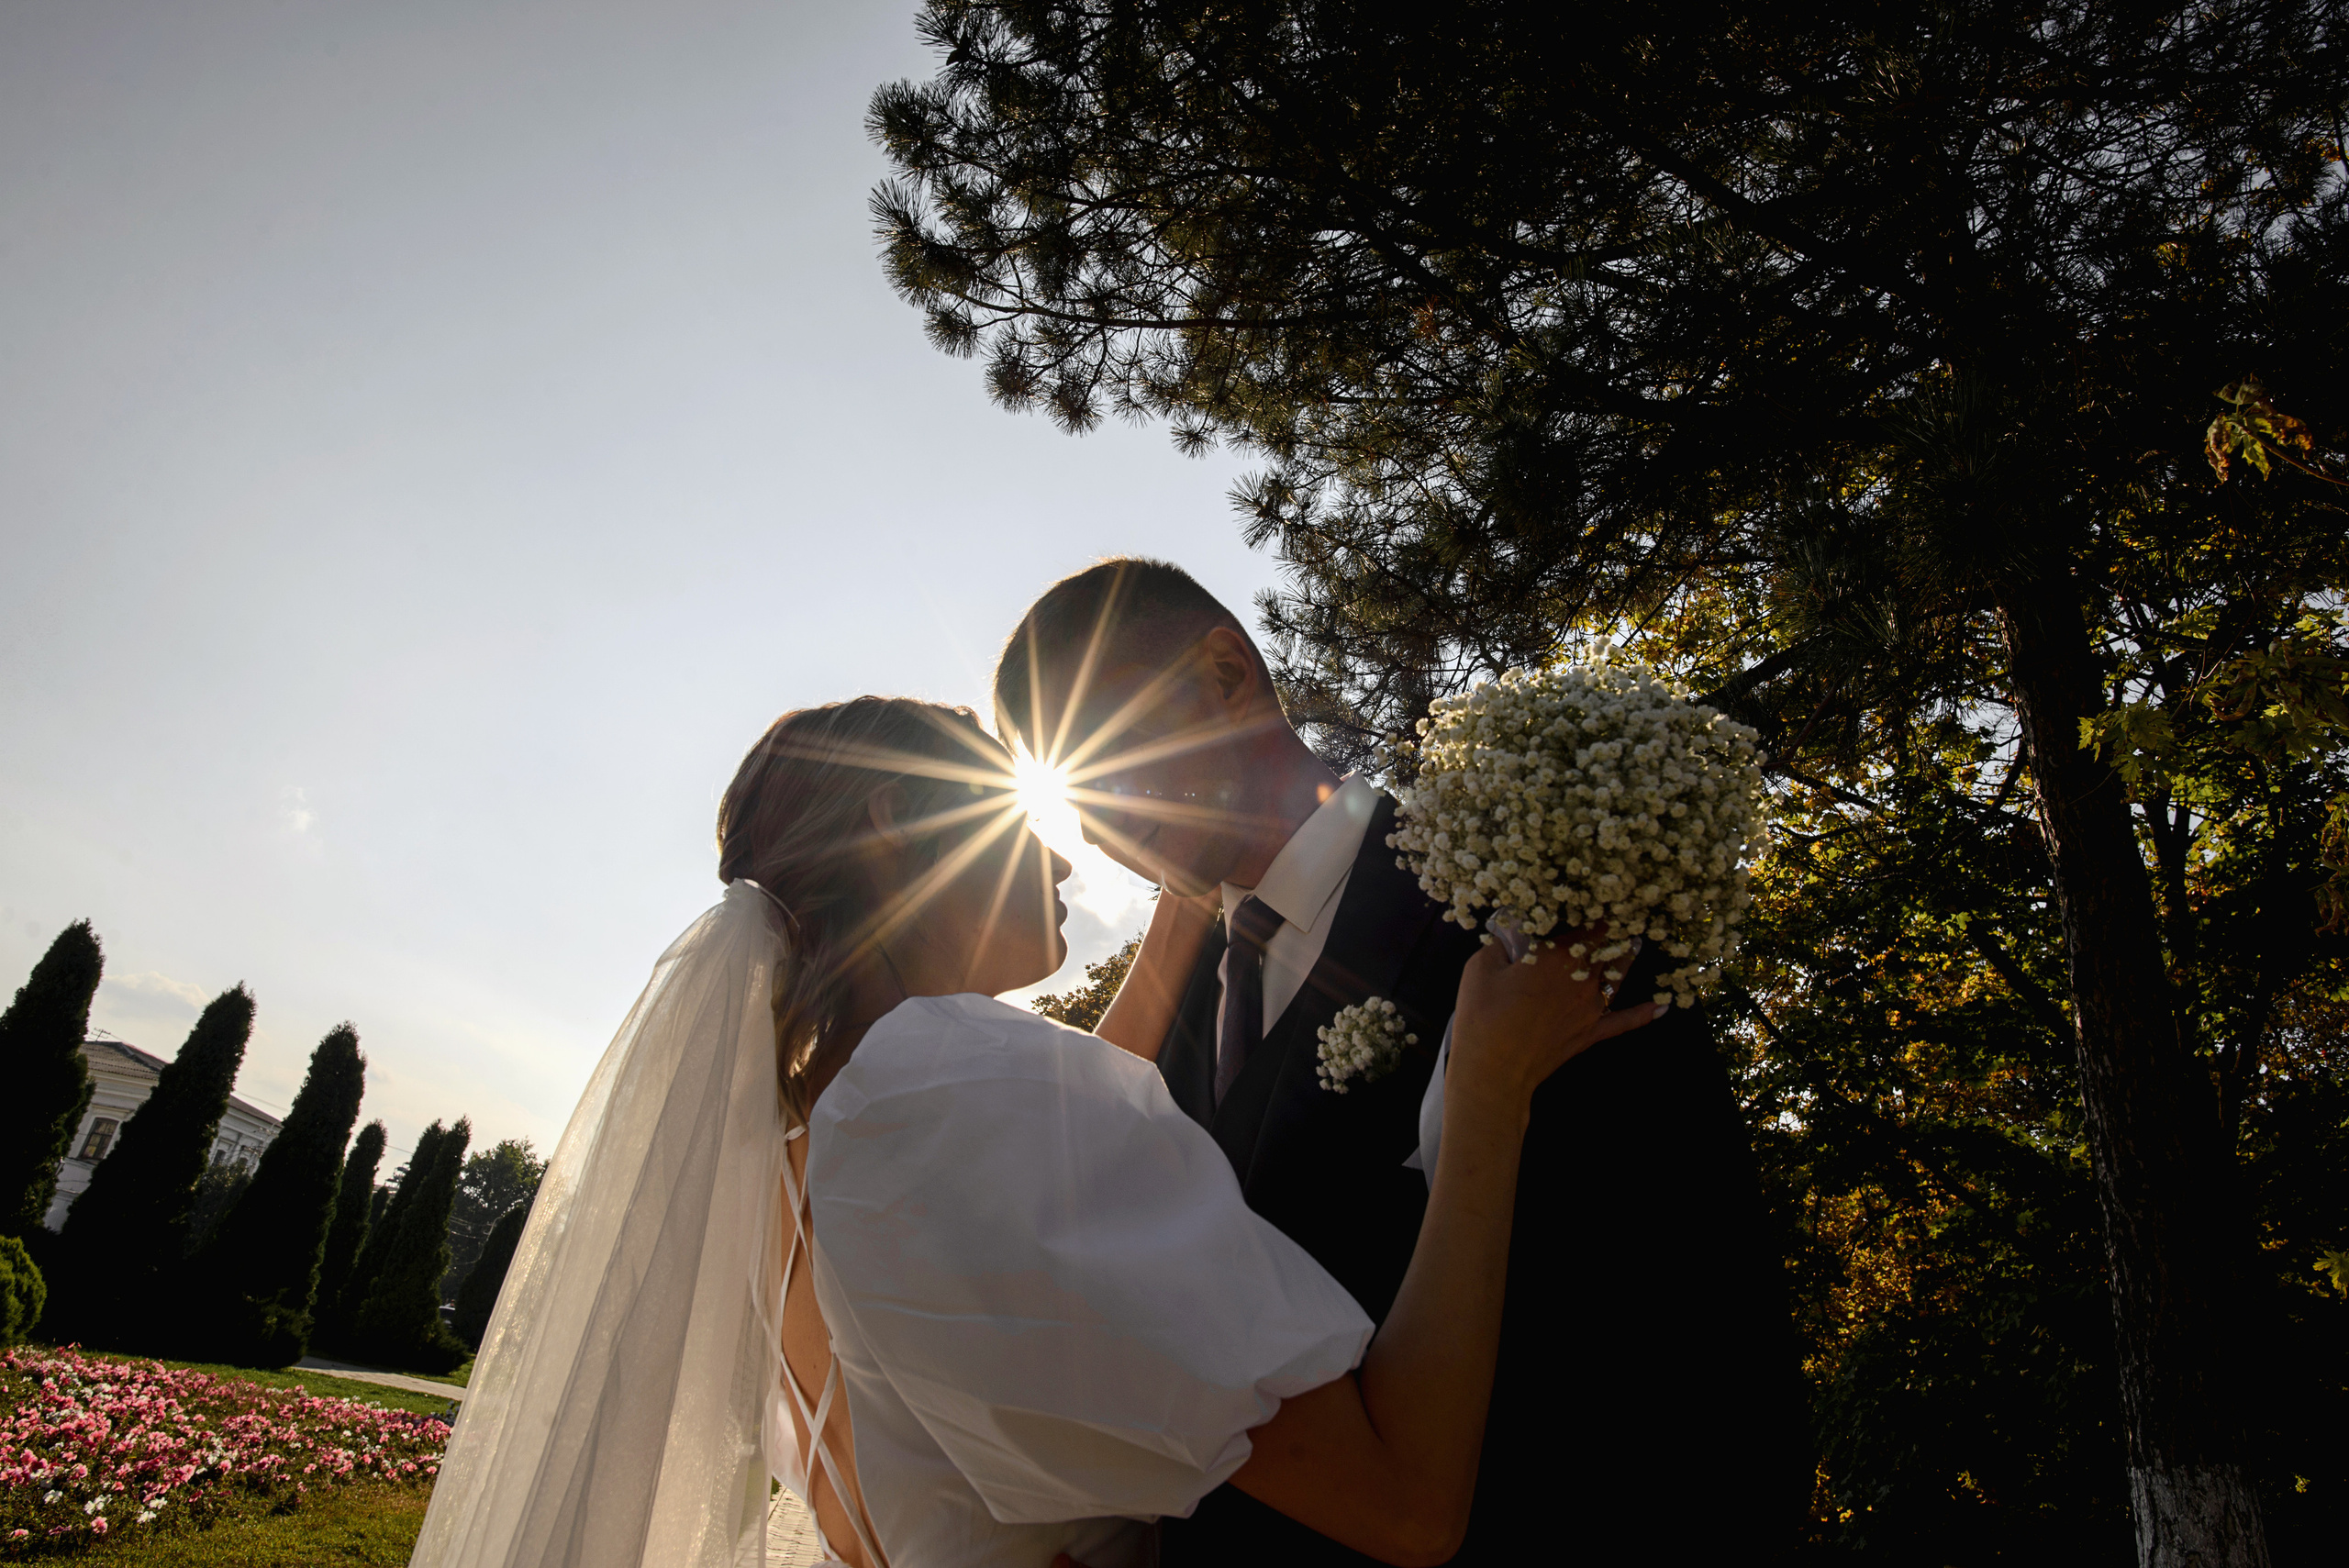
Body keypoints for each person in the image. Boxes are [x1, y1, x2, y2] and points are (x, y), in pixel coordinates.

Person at [411, 695, 1656, 1568]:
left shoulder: (812, 1138)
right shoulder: (946, 1090)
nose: (1065, 859)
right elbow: (1407, 1504)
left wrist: (1178, 930)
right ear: (906, 833)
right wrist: (1489, 1087)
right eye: (1016, 816)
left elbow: (1039, 1220)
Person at [993, 559, 1808, 1565]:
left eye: (1104, 753)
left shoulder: (1520, 892)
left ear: (1225, 674)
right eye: (1067, 788)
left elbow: (1695, 1303)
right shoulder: (1161, 1025)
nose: (1095, 819)